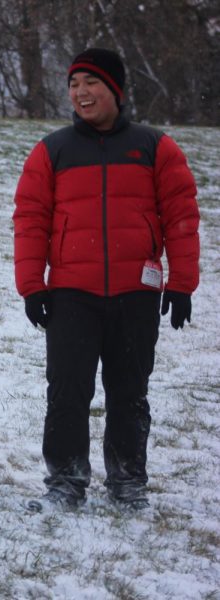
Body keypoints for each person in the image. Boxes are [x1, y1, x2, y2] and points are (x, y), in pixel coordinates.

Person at [13, 48, 200, 512]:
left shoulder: (155, 147)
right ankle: (65, 481)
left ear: (115, 89)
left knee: (129, 393)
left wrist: (181, 283)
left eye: (91, 83)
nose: (80, 93)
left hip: (136, 295)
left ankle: (128, 481)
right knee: (67, 392)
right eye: (74, 85)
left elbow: (182, 217)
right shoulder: (53, 150)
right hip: (72, 293)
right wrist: (32, 285)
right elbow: (30, 219)